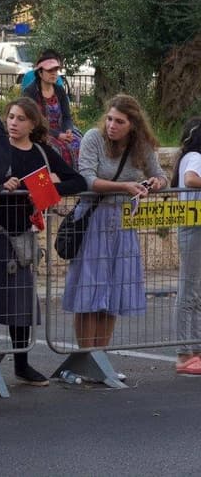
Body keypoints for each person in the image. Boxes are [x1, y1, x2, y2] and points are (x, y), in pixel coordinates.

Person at [0, 98, 86, 386]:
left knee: (22, 303)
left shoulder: (42, 152)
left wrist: (44, 187)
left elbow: (78, 182)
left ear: (33, 124)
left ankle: (22, 364)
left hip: (22, 236)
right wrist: (1, 186)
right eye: (11, 117)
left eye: (20, 118)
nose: (13, 123)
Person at [62, 94, 167, 349]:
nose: (112, 125)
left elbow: (161, 175)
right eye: (109, 119)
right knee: (90, 291)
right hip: (94, 220)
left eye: (119, 121)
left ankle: (101, 355)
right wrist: (124, 187)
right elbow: (86, 179)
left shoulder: (141, 146)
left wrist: (156, 183)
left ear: (133, 123)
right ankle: (86, 356)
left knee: (113, 292)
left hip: (122, 224)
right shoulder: (93, 139)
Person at [170, 117, 201, 374]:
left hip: (194, 224)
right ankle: (183, 352)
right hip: (193, 227)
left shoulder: (190, 155)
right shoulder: (196, 157)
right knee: (189, 289)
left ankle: (194, 349)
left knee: (195, 290)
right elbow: (191, 180)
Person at [23, 50, 82, 169]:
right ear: (40, 73)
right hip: (40, 131)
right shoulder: (30, 92)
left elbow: (66, 116)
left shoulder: (59, 90)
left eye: (56, 70)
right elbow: (34, 121)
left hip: (62, 129)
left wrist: (68, 130)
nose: (54, 73)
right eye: (50, 70)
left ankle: (80, 177)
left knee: (80, 143)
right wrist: (58, 135)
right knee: (57, 149)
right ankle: (60, 179)